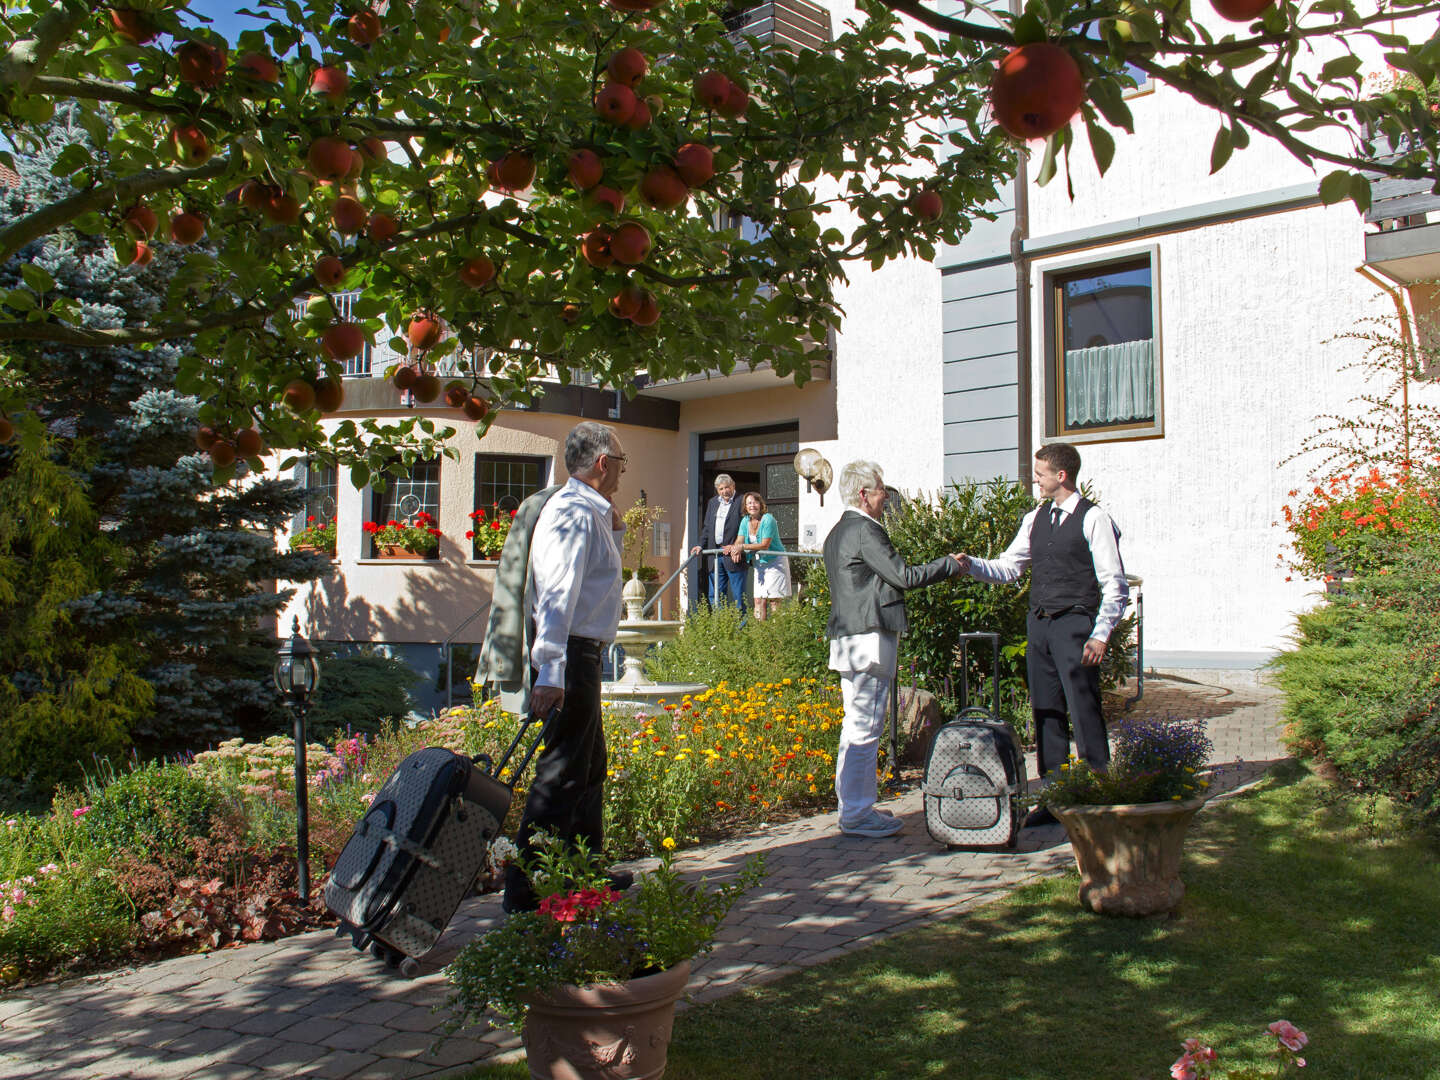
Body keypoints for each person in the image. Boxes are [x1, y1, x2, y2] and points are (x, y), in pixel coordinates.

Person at [956, 442, 1129, 828]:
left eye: (1040, 473)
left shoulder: (1094, 518)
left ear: (1061, 476)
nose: (1035, 479)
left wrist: (1101, 635)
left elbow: (1114, 583)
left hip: (1075, 625)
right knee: (1046, 711)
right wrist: (971, 566)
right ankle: (1054, 797)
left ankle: (1098, 795)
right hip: (1041, 625)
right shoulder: (1035, 518)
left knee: (1083, 709)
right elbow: (1009, 567)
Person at [500, 421, 631, 913]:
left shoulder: (589, 512)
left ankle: (583, 873)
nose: (620, 472)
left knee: (588, 764)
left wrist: (615, 529)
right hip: (571, 656)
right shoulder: (575, 513)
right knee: (561, 771)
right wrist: (550, 673)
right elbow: (557, 597)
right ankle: (529, 893)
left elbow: (593, 581)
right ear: (603, 464)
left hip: (580, 654)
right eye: (620, 462)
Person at [824, 460, 966, 838]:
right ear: (863, 494)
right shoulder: (866, 530)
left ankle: (852, 808)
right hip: (869, 636)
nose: (886, 495)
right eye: (881, 488)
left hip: (847, 638)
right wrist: (948, 565)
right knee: (865, 726)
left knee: (853, 725)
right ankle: (856, 814)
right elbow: (904, 575)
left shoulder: (837, 532)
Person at [690, 473, 744, 610]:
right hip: (715, 555)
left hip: (734, 555)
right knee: (715, 595)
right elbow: (707, 527)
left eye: (727, 487)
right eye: (721, 489)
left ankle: (741, 629)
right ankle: (720, 626)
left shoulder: (742, 501)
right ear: (717, 490)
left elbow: (746, 527)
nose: (724, 491)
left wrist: (737, 546)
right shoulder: (713, 502)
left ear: (733, 486)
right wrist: (699, 545)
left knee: (739, 596)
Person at [735, 491, 791, 620]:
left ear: (760, 504)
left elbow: (764, 544)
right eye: (749, 503)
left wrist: (742, 547)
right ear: (745, 506)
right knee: (758, 600)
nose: (752, 505)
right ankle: (761, 635)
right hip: (759, 564)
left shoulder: (768, 519)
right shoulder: (745, 521)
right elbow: (740, 539)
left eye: (755, 502)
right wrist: (735, 548)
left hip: (775, 563)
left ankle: (777, 635)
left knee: (774, 601)